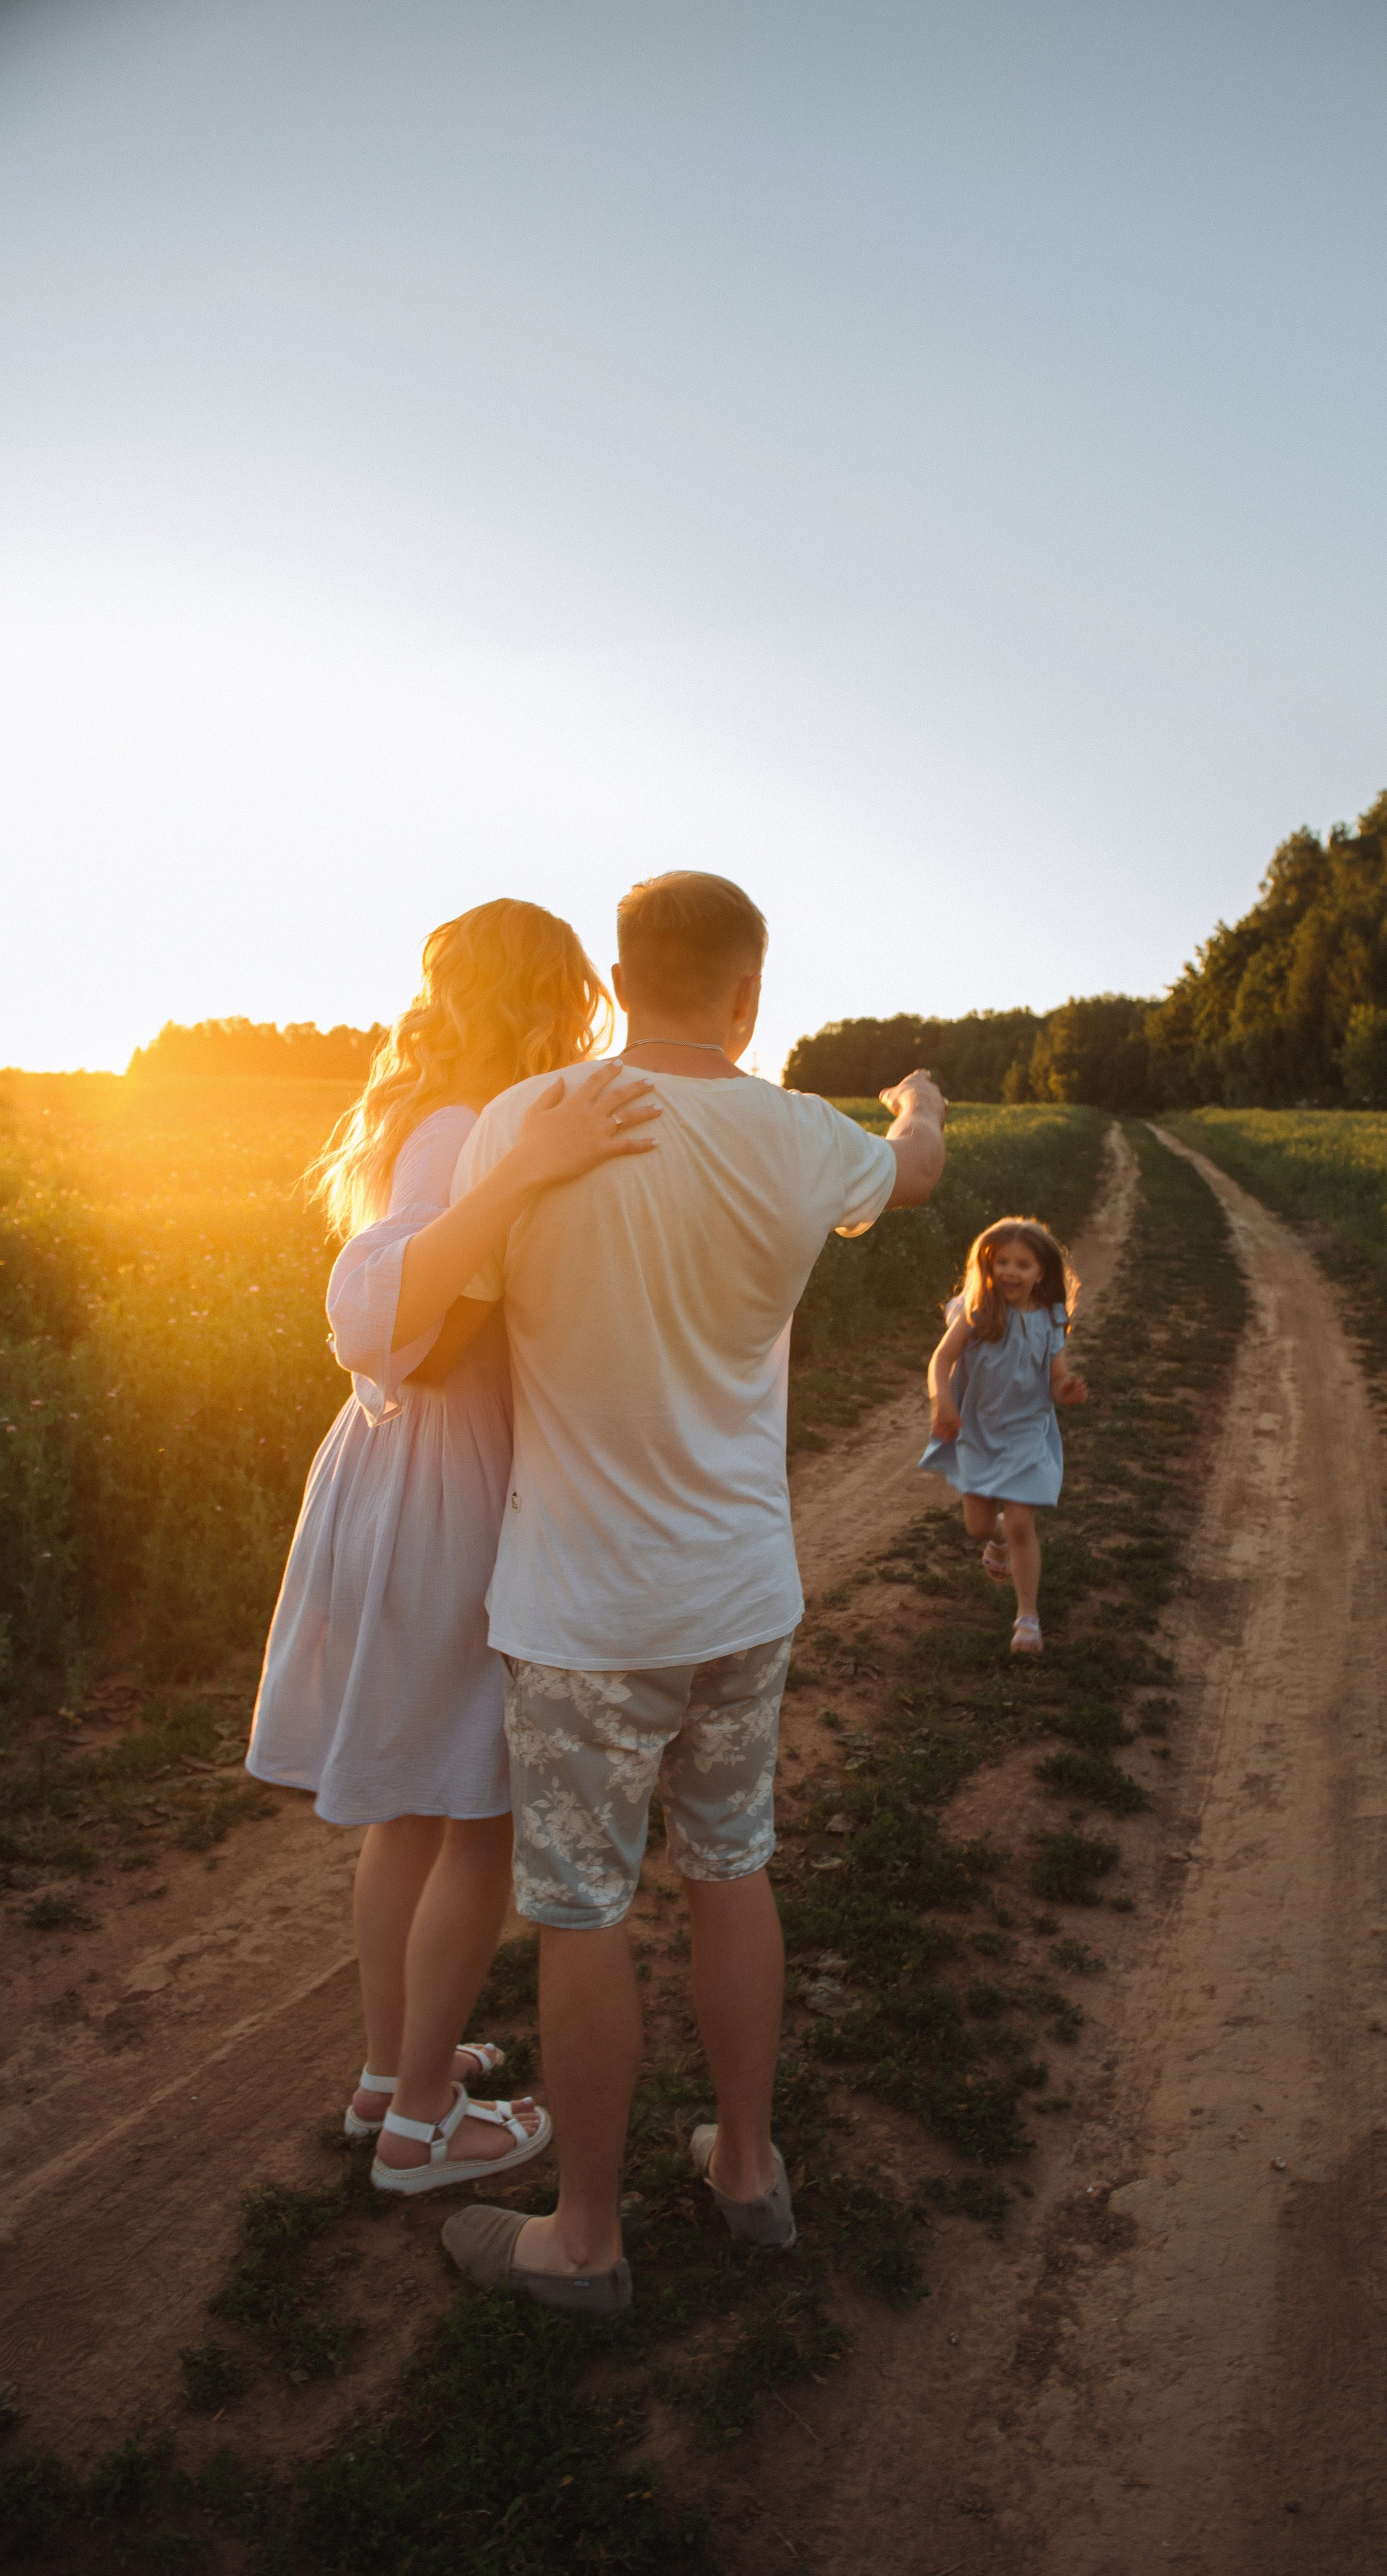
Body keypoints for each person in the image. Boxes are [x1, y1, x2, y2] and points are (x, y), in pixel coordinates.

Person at [434, 870, 946, 2312]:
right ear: (750, 991)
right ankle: (745, 2168)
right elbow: (909, 1174)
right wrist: (918, 1101)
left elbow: (453, 1306)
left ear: (616, 970)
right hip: (737, 1596)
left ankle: (584, 2240)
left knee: (583, 1909)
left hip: (581, 1612)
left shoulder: (529, 1124)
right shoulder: (796, 1138)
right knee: (731, 1869)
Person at [248, 898, 660, 2196]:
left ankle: (391, 2076)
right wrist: (537, 1168)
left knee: (417, 1815)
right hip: (447, 1483)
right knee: (476, 1809)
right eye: (572, 997)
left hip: (397, 1469)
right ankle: (429, 2125)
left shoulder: (433, 1115)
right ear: (544, 994)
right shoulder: (471, 1131)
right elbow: (397, 1315)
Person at [919, 1217, 1089, 1654]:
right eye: (1003, 1263)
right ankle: (996, 1538)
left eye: (1023, 1264)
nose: (1011, 1272)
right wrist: (943, 1402)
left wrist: (1065, 1390)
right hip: (978, 1431)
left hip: (1027, 1431)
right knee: (978, 1527)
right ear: (988, 1267)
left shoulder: (1051, 1319)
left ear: (1042, 1272)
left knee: (1020, 1522)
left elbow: (1056, 1378)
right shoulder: (978, 1311)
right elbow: (941, 1361)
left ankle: (1027, 1617)